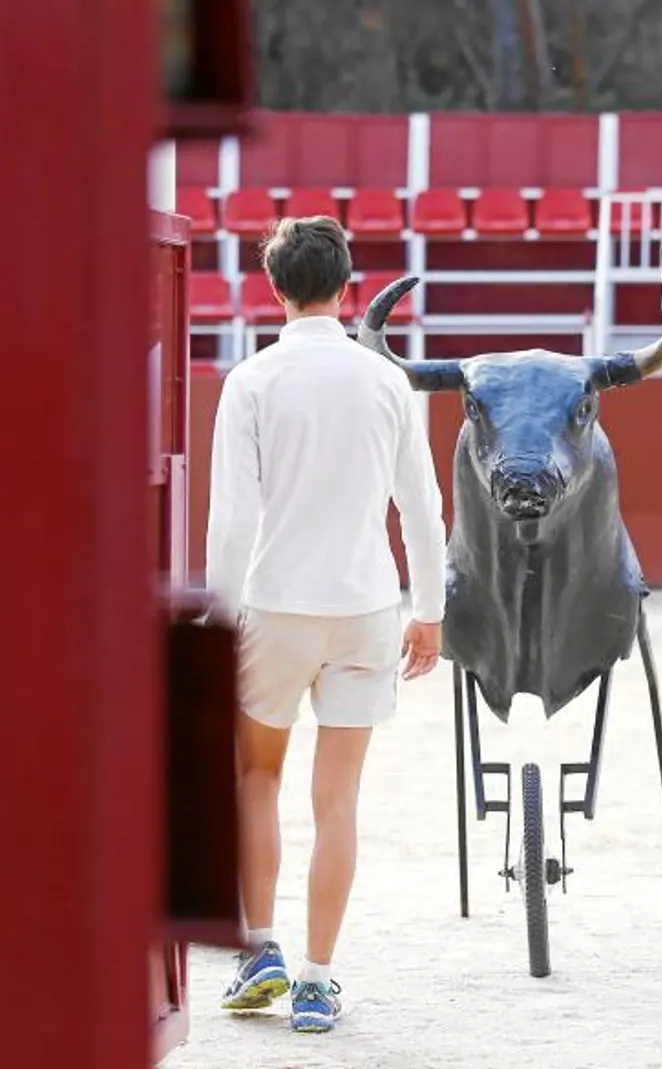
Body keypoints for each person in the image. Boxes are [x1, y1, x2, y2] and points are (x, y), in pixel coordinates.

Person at [204, 216, 448, 1035]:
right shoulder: (387, 382)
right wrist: (431, 611)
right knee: (338, 798)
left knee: (256, 781)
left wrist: (218, 612)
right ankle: (317, 979)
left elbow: (233, 521)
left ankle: (261, 947)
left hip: (275, 606)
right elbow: (422, 506)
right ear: (348, 286)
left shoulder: (254, 380)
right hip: (365, 607)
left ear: (272, 288)